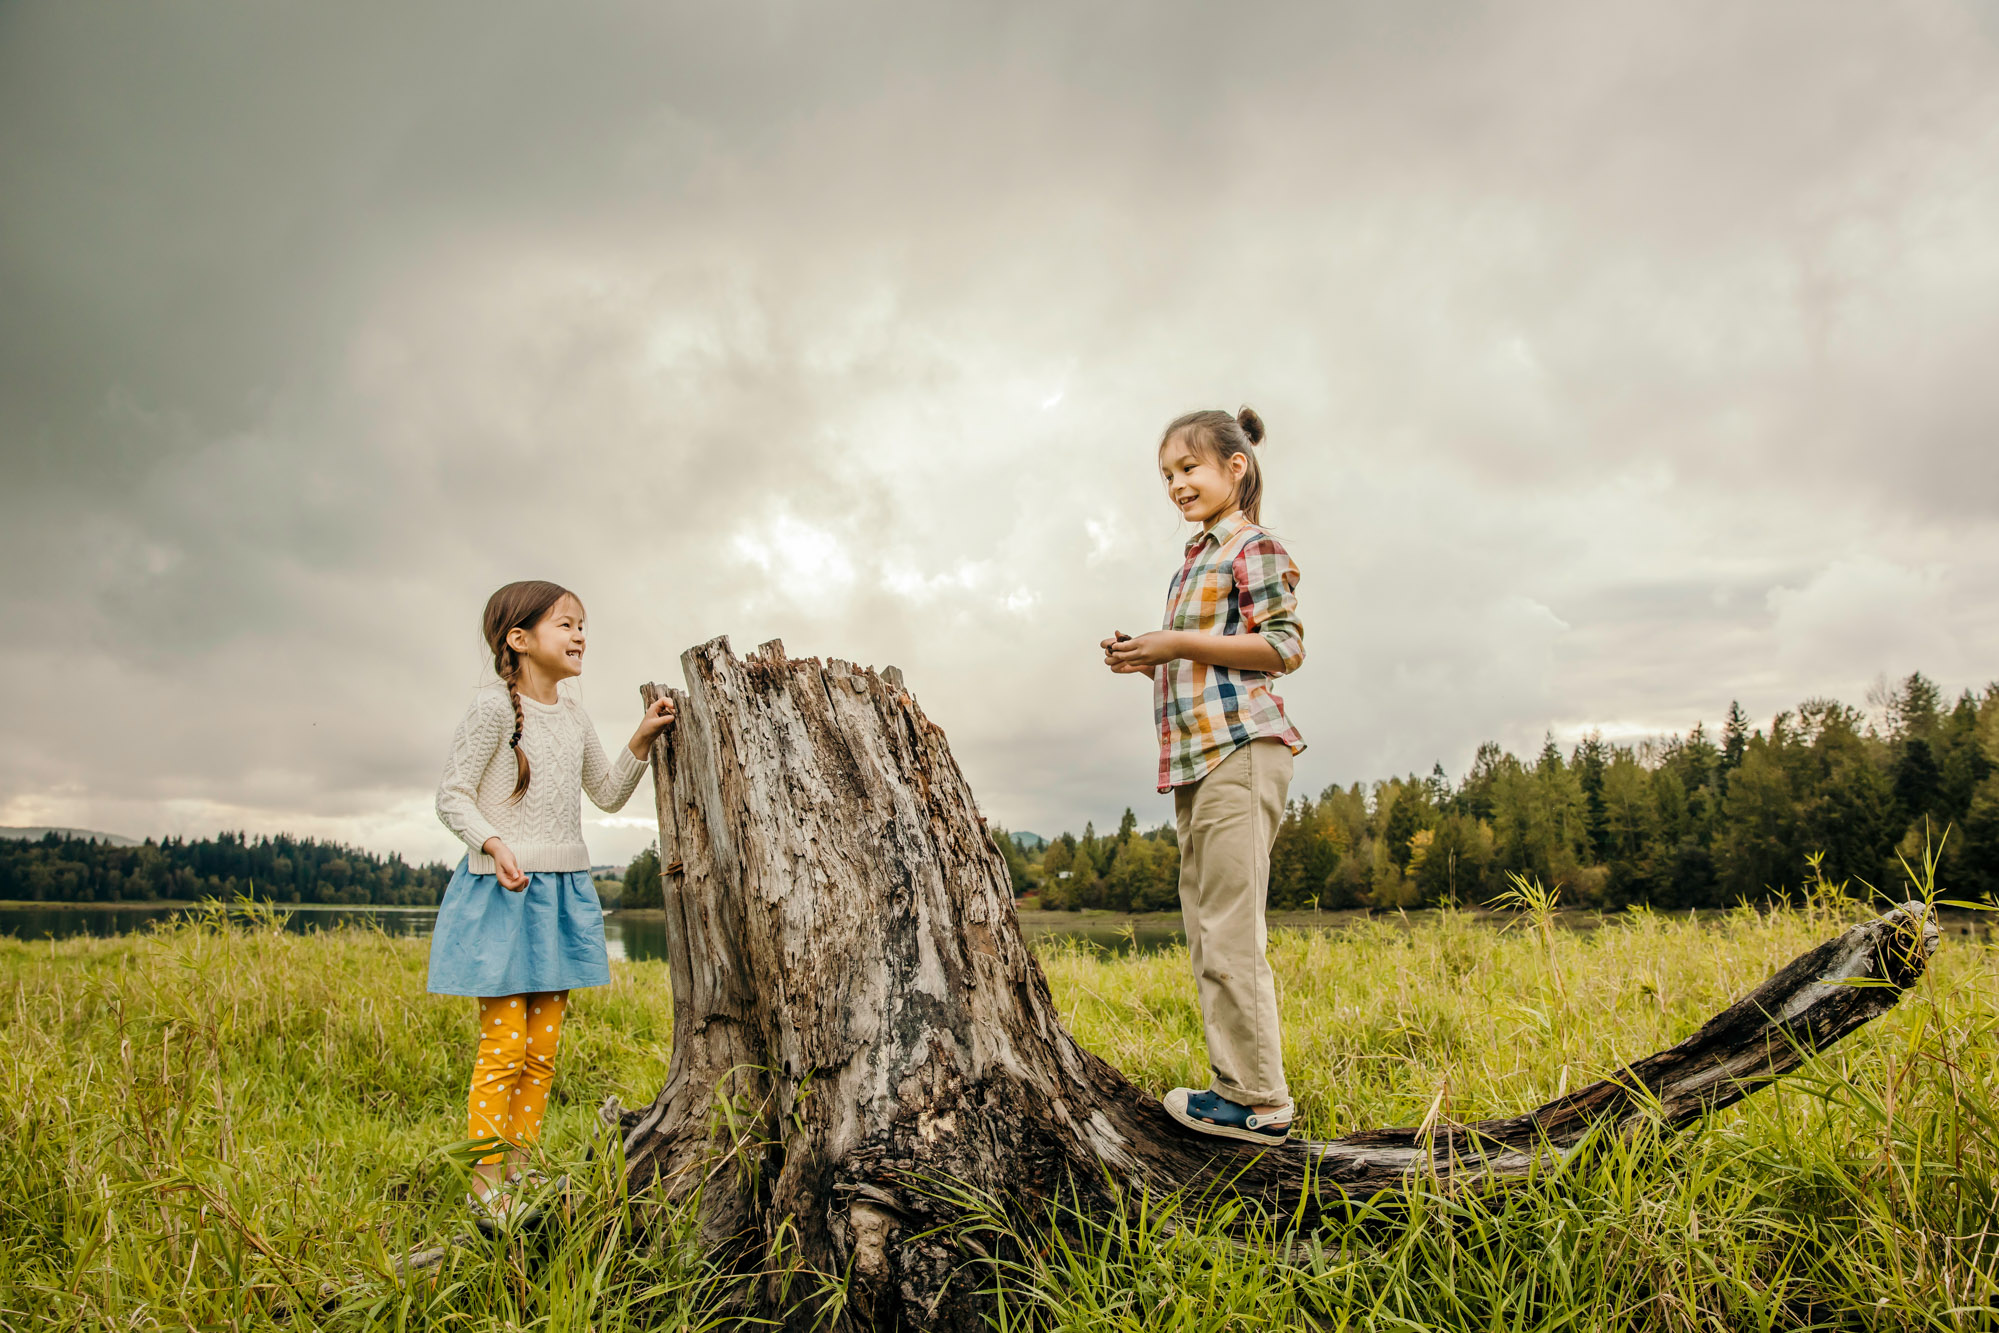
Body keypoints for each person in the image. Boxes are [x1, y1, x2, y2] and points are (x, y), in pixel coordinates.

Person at [430, 579, 674, 1224]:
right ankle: (486, 1187)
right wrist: (494, 842)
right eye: (566, 625)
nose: (579, 636)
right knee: (505, 1049)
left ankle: (520, 1173)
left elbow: (607, 792)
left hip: (563, 893)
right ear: (519, 638)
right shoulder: (492, 711)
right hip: (502, 892)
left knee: (541, 1052)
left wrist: (642, 739)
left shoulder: (574, 716)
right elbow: (451, 794)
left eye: (582, 626)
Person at [1101, 407, 1306, 1144]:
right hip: (1199, 758)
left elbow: (1283, 645)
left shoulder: (1252, 546)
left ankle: (1258, 1100)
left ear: (1234, 467)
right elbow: (1203, 655)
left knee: (1228, 930)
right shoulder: (1194, 557)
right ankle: (1237, 1085)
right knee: (1207, 928)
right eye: (1166, 475)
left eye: (1188, 468)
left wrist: (1176, 640)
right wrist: (1144, 654)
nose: (1175, 484)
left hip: (1240, 750)